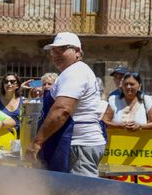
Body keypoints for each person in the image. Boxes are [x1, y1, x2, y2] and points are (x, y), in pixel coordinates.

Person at [26, 32, 106, 176]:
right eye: (53, 51)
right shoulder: (74, 71)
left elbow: (62, 110)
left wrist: (37, 142)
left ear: (77, 52)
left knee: (79, 190)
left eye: (62, 49)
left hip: (77, 144)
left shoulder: (74, 72)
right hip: (76, 144)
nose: (56, 54)